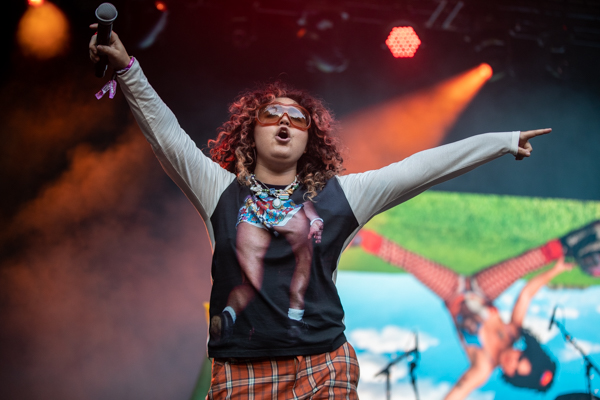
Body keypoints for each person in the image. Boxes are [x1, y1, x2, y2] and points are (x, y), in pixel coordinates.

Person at [89, 23, 552, 399]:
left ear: (309, 140)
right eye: (272, 115)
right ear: (251, 134)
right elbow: (166, 136)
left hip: (323, 366)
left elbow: (422, 168)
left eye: (298, 118)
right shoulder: (219, 192)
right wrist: (127, 69)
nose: (285, 121)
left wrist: (502, 142)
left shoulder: (342, 197)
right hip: (240, 373)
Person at [354, 224, 598, 400]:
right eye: (521, 357)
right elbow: (526, 294)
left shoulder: (482, 367)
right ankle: (569, 244)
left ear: (511, 377)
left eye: (515, 369)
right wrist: (555, 271)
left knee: (410, 262)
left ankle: (360, 237)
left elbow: (456, 394)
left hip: (453, 293)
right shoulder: (513, 333)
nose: (512, 360)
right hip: (483, 290)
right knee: (520, 266)